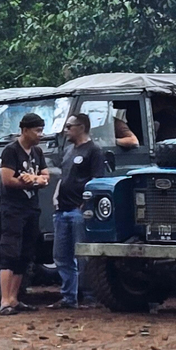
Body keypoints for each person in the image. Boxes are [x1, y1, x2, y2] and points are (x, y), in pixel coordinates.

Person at [52, 113, 107, 309]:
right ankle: (69, 297)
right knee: (61, 256)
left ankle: (90, 297)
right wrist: (57, 195)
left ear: (81, 127)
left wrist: (84, 206)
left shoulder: (94, 151)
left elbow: (97, 180)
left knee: (82, 255)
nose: (66, 130)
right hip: (62, 209)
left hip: (78, 211)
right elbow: (64, 176)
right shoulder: (68, 151)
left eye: (69, 126)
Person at [0, 112, 49, 315]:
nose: (40, 134)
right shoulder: (11, 151)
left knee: (25, 253)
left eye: (41, 130)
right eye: (37, 130)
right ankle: (4, 300)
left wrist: (33, 179)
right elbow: (7, 179)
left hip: (31, 208)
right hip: (13, 208)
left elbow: (46, 176)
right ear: (25, 130)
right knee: (9, 251)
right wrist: (28, 180)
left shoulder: (37, 152)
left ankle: (14, 298)